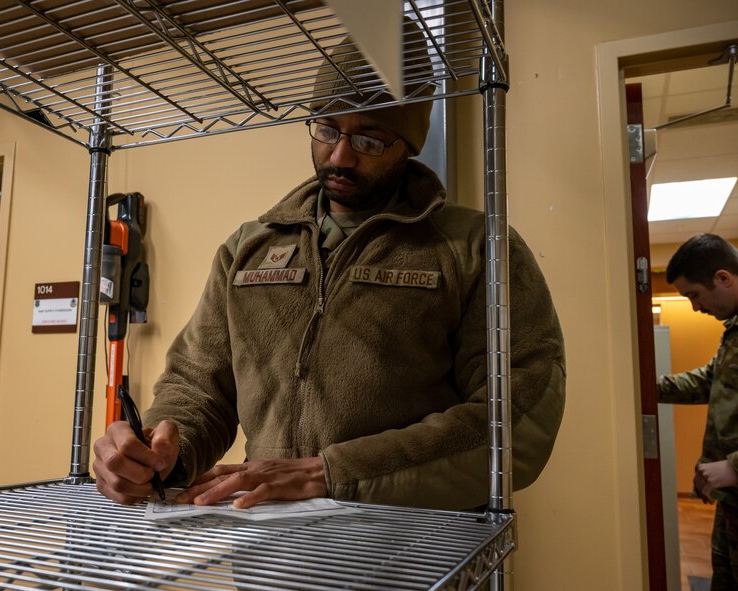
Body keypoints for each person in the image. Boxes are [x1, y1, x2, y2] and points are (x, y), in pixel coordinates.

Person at [93, 23, 566, 512]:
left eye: (370, 139)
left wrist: (332, 472)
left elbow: (518, 417)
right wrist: (166, 447)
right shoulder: (247, 249)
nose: (339, 156)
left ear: (410, 145)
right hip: (267, 556)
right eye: (327, 128)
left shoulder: (475, 247)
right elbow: (196, 386)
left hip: (410, 557)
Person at [657, 233, 738, 588]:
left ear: (722, 278)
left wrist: (734, 466)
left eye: (693, 295)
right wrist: (642, 385)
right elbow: (710, 381)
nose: (694, 307)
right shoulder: (733, 332)